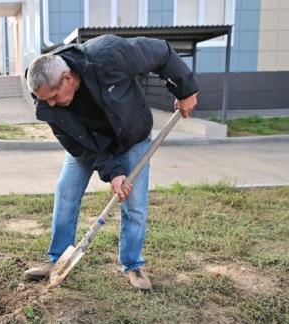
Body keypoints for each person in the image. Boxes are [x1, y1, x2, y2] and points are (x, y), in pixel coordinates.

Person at [23, 34, 198, 292]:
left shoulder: (109, 55)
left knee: (134, 202)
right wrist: (112, 173)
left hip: (131, 137)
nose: (49, 103)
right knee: (66, 191)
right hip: (89, 144)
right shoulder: (47, 103)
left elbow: (162, 52)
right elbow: (79, 145)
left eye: (53, 97)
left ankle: (133, 265)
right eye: (44, 99)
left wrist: (185, 90)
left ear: (67, 78)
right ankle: (57, 259)